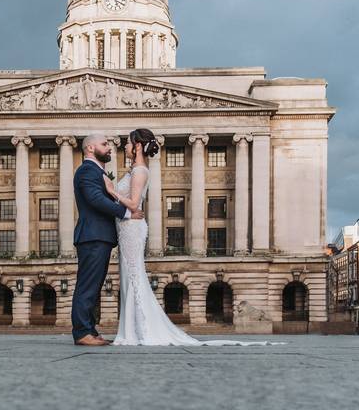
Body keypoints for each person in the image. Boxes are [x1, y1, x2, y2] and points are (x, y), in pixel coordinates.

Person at [104, 128, 274, 347]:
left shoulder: (139, 171)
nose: (124, 147)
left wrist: (111, 191)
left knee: (134, 278)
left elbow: (134, 204)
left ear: (137, 145)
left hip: (132, 229)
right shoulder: (135, 170)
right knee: (130, 278)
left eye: (128, 143)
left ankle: (138, 330)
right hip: (127, 228)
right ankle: (132, 330)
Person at [70, 133, 143, 346]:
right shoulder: (86, 170)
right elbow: (94, 199)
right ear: (90, 148)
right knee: (87, 286)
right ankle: (82, 332)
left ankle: (89, 330)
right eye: (104, 144)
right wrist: (127, 213)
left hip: (98, 236)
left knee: (94, 285)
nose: (109, 147)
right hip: (92, 235)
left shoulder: (95, 171)